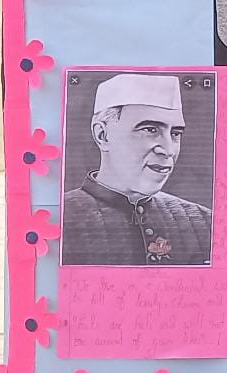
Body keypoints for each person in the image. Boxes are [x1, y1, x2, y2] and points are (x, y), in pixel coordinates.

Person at [61, 73, 212, 266]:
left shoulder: (204, 222)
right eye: (150, 130)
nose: (168, 150)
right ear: (103, 135)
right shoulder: (61, 217)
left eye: (175, 133)